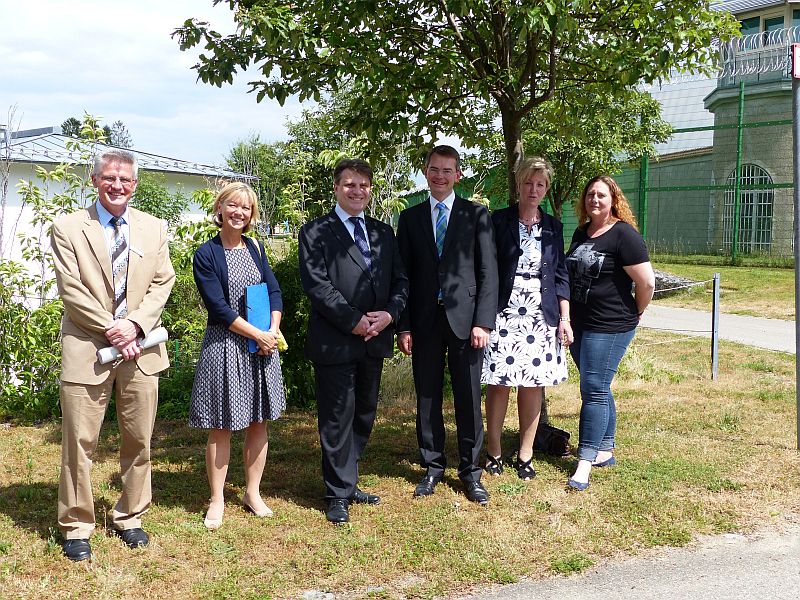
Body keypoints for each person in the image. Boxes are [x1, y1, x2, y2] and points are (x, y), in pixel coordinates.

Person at [51, 149, 175, 561]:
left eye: (125, 179)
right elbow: (71, 290)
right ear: (95, 180)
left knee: (138, 439)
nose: (117, 185)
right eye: (109, 178)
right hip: (87, 348)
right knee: (79, 442)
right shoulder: (68, 228)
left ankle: (130, 516)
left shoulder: (154, 228)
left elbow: (162, 282)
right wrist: (113, 328)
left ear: (135, 184)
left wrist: (135, 325)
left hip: (140, 349)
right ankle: (76, 524)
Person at [298, 158, 408, 524]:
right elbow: (318, 286)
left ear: (370, 189)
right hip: (336, 339)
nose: (357, 191)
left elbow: (400, 281)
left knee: (364, 413)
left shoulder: (382, 233)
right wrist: (355, 321)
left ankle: (348, 479)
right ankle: (336, 494)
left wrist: (390, 314)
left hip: (375, 339)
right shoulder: (315, 232)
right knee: (336, 417)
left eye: (363, 185)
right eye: (349, 184)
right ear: (336, 187)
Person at [397, 145, 498, 505]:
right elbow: (403, 277)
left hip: (467, 322)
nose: (440, 176)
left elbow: (489, 273)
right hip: (424, 321)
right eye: (434, 169)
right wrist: (403, 326)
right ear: (425, 172)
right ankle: (432, 466)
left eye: (447, 170)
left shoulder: (476, 215)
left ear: (458, 175)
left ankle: (471, 472)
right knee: (427, 396)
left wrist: (483, 321)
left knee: (469, 398)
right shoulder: (409, 220)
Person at [190, 182, 286, 529]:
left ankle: (252, 493)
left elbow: (274, 291)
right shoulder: (206, 253)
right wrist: (258, 334)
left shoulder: (257, 248)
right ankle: (217, 499)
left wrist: (271, 331)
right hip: (225, 346)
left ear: (252, 215)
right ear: (220, 208)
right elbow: (217, 307)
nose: (239, 212)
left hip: (262, 346)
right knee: (222, 424)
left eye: (245, 208)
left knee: (258, 420)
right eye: (233, 205)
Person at [481, 157, 572, 480]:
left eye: (540, 185)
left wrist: (565, 317)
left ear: (546, 189)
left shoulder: (553, 227)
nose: (533, 189)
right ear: (518, 185)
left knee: (533, 384)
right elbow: (486, 269)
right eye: (528, 183)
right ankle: (493, 451)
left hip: (540, 313)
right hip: (503, 311)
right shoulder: (498, 221)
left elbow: (560, 274)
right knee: (499, 383)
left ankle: (526, 453)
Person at [565, 175, 655, 491]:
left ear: (613, 199)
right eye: (590, 194)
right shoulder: (582, 232)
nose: (595, 200)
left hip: (611, 325)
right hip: (580, 325)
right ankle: (605, 449)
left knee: (592, 388)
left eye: (601, 195)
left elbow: (646, 283)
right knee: (599, 386)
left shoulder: (624, 235)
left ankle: (584, 463)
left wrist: (638, 310)